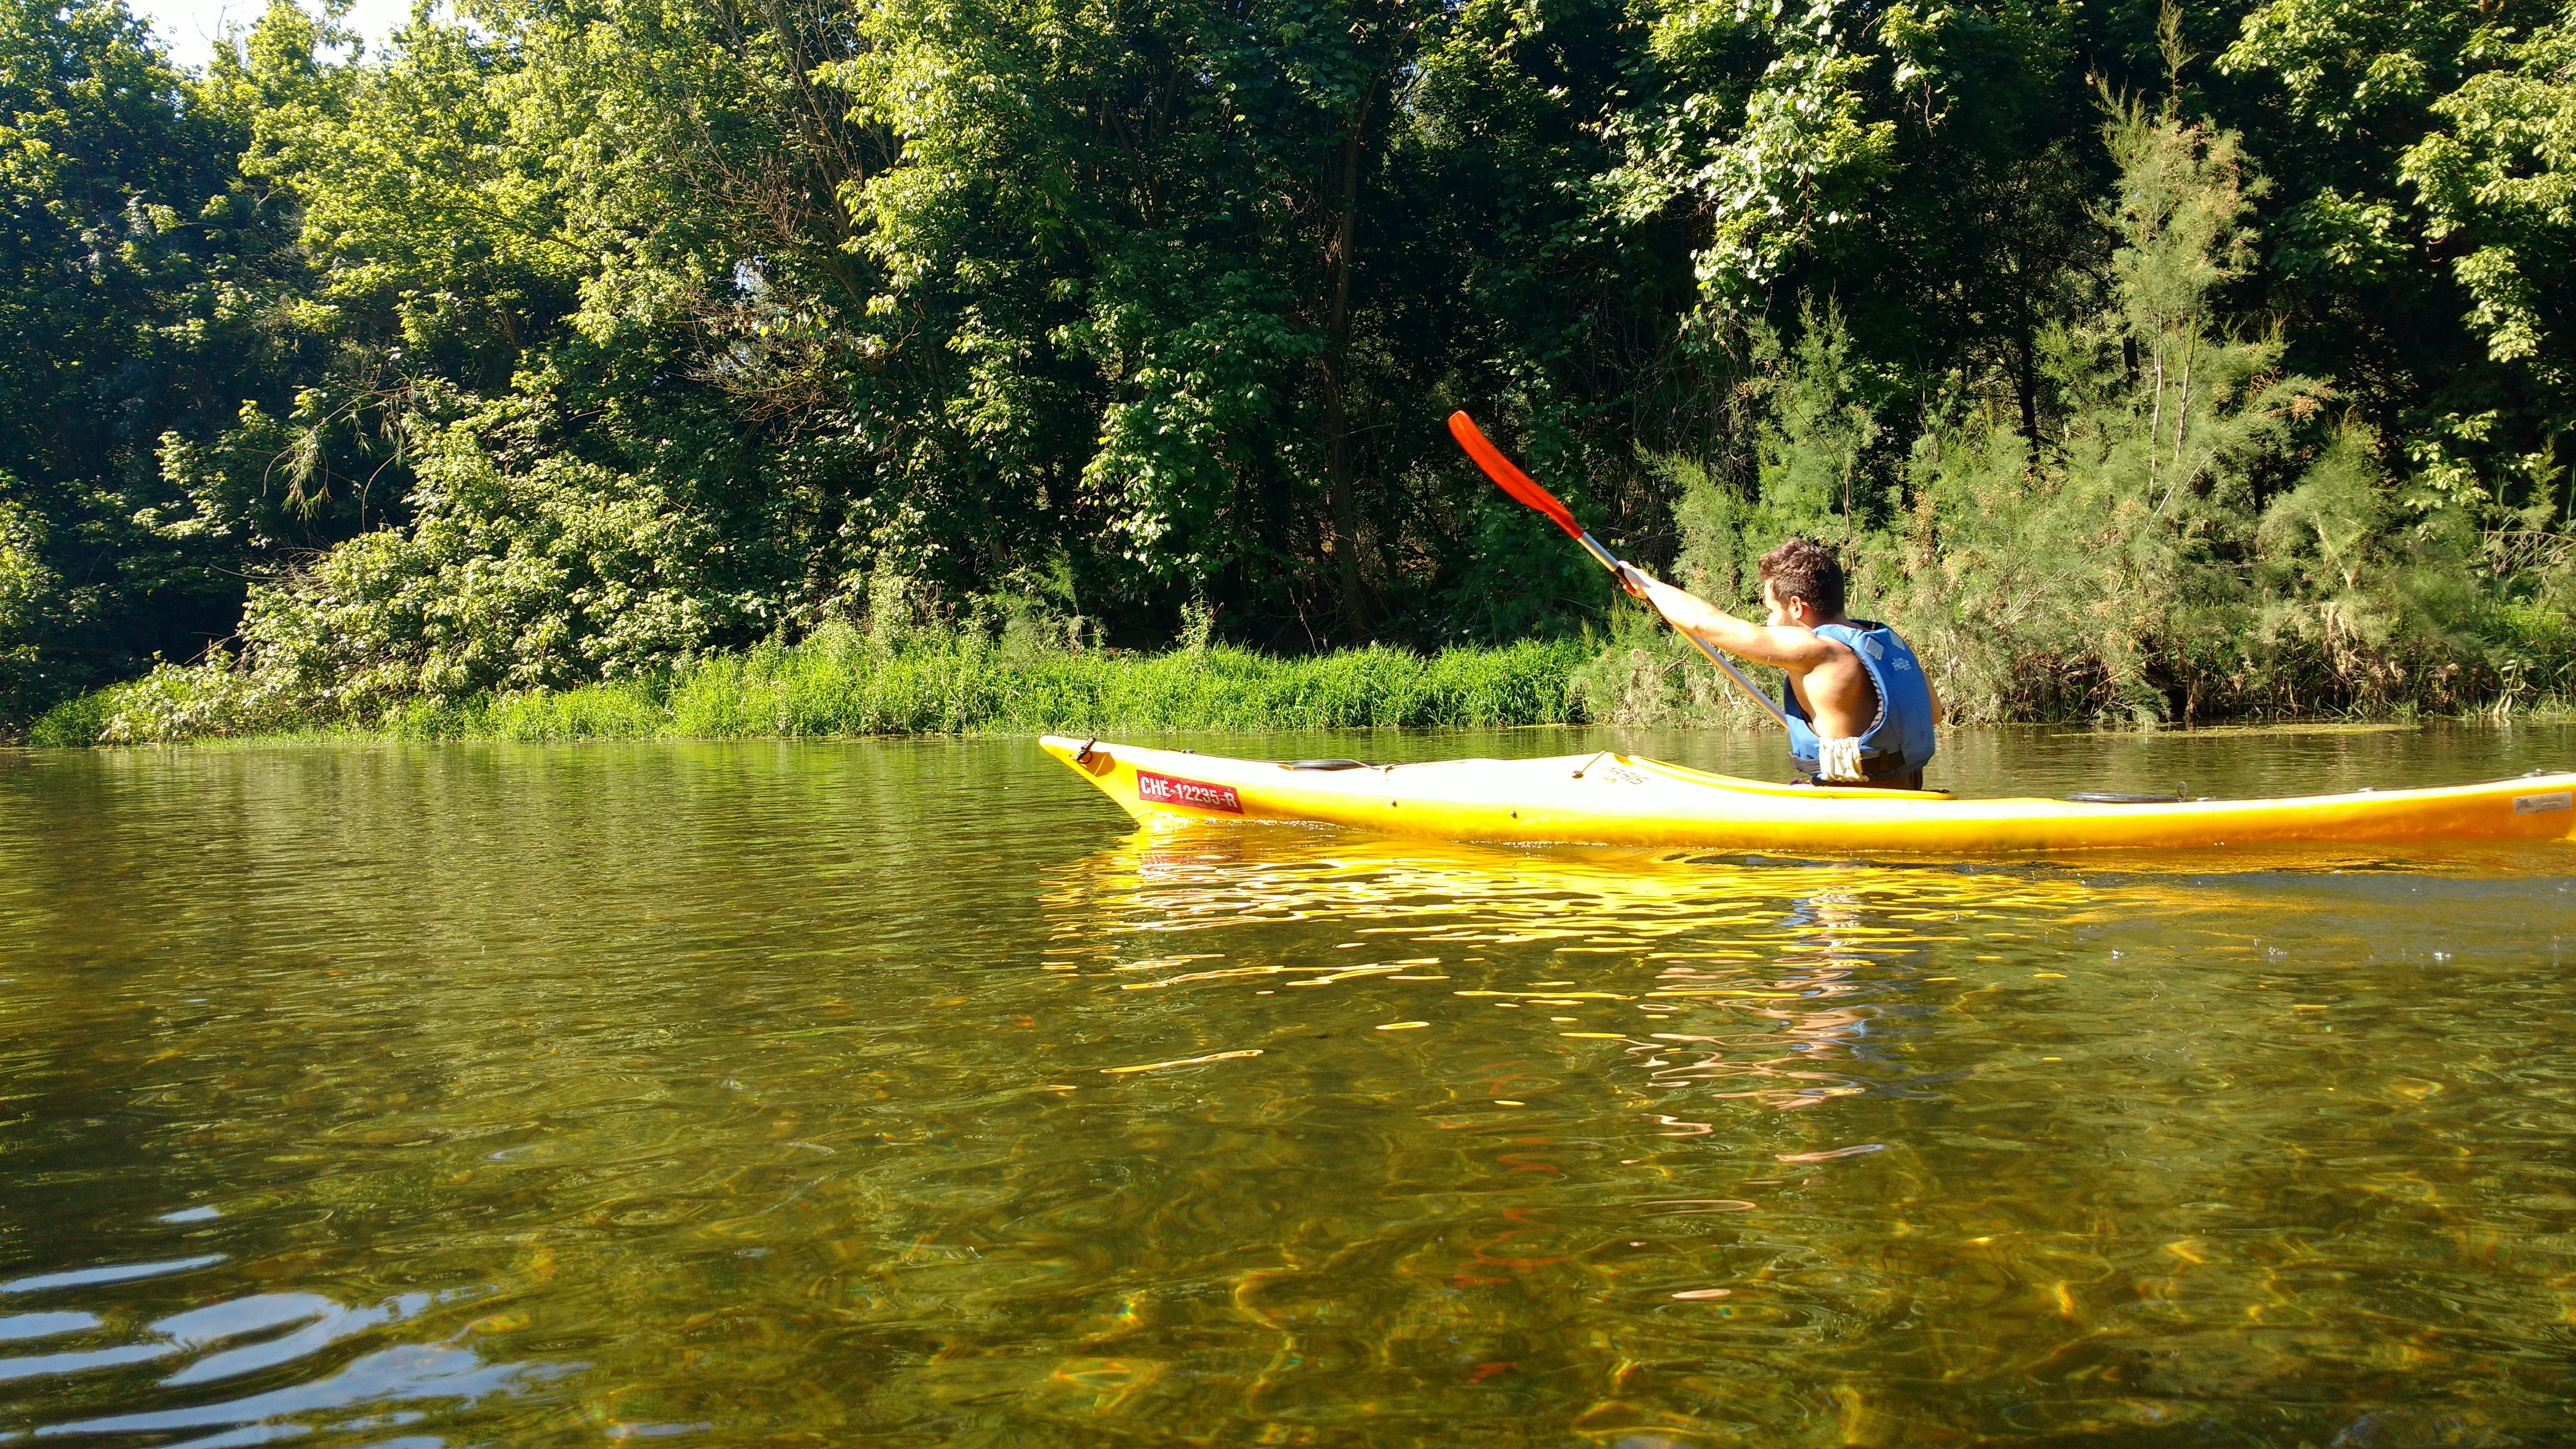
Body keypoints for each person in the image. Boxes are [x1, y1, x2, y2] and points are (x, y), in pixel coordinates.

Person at [1617, 537, 1941, 789]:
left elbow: (1704, 622)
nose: (1769, 623)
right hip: (1907, 796)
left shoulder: (1819, 650)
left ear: (1797, 607)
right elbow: (1935, 713)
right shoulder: (1882, 640)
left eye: (1771, 611)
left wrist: (1647, 585)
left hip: (1851, 811)